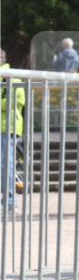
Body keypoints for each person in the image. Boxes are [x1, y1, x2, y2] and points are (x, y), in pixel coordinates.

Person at [1, 49, 25, 212]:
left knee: (6, 165)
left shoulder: (11, 76)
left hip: (6, 127)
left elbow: (15, 102)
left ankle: (9, 201)